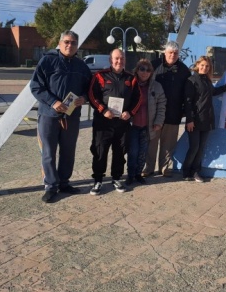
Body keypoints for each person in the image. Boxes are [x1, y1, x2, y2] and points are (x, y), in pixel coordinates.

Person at [30, 30, 92, 203]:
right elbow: (36, 86)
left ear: (77, 46)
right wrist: (52, 102)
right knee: (49, 152)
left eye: (73, 43)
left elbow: (90, 89)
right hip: (49, 115)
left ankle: (64, 183)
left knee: (68, 151)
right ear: (60, 42)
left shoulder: (82, 66)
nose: (69, 45)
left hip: (71, 116)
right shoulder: (47, 61)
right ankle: (50, 186)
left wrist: (84, 98)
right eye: (66, 41)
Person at [87, 49, 140, 195]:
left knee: (120, 151)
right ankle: (98, 180)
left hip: (122, 124)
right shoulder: (99, 76)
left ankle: (116, 178)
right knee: (100, 151)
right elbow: (92, 95)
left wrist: (130, 113)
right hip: (103, 123)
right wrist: (103, 110)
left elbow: (138, 98)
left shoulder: (131, 78)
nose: (119, 61)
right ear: (110, 60)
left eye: (122, 59)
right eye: (116, 59)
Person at [143, 41, 191, 177]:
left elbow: (187, 92)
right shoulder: (153, 65)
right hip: (153, 112)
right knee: (151, 142)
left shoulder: (183, 69)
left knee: (168, 143)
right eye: (170, 52)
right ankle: (148, 168)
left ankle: (164, 167)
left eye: (175, 53)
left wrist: (184, 111)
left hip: (173, 112)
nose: (173, 55)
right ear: (165, 52)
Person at [183, 56, 226, 182]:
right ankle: (186, 171)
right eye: (202, 65)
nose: (204, 68)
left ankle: (195, 172)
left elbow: (214, 92)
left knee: (201, 148)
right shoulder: (191, 80)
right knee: (194, 147)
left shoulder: (207, 80)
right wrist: (189, 120)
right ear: (198, 65)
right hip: (194, 120)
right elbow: (187, 102)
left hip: (207, 119)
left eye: (207, 66)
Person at [126, 59, 166, 186]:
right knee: (133, 152)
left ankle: (138, 174)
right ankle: (130, 174)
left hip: (147, 126)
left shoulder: (156, 86)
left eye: (148, 70)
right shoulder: (129, 84)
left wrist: (158, 121)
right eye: (142, 69)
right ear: (137, 70)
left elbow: (161, 105)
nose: (145, 72)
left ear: (151, 72)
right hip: (133, 126)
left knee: (143, 152)